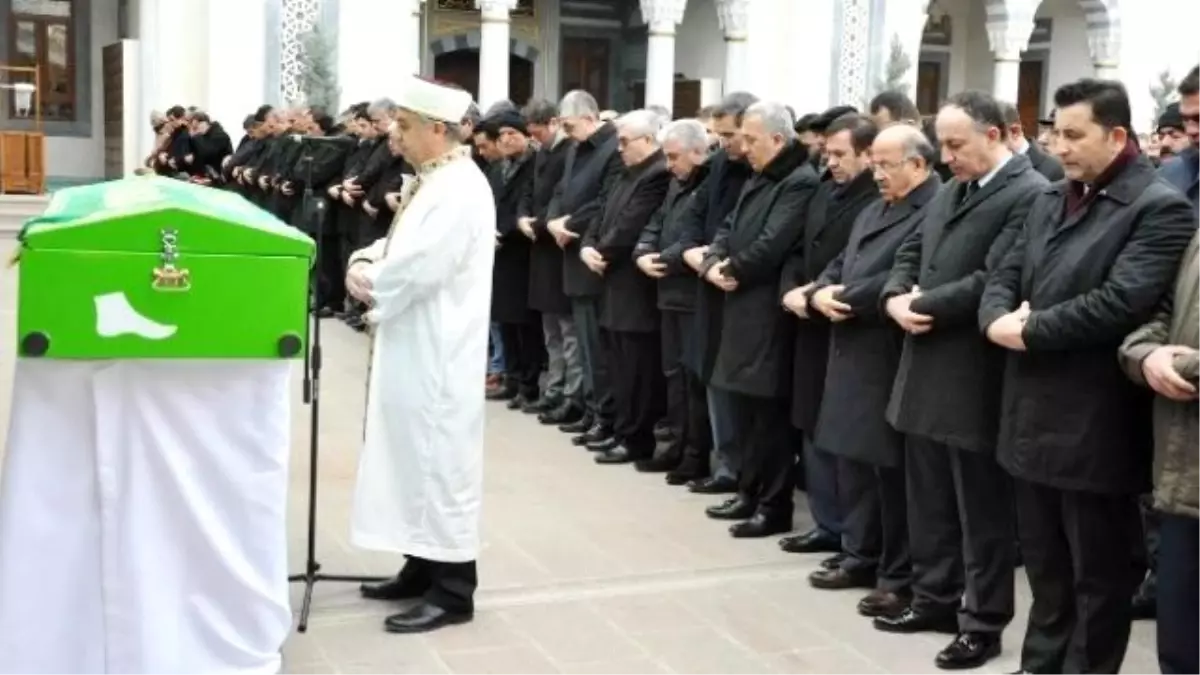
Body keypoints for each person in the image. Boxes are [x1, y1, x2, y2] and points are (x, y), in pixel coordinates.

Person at [979, 78, 1195, 675]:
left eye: (1075, 135)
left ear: (1118, 135)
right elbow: (1005, 269)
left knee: (1096, 578)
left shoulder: (1157, 208)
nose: (1061, 146)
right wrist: (996, 317)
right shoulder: (1051, 197)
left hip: (1094, 425)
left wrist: (1028, 331)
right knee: (1046, 570)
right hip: (1027, 415)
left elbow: (1121, 303)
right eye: (1055, 132)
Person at [879, 91, 1047, 670]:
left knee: (981, 511)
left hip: (974, 372)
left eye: (956, 144)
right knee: (928, 499)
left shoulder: (1028, 193)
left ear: (996, 135)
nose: (946, 157)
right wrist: (896, 295)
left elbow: (996, 276)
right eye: (943, 144)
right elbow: (911, 248)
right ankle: (933, 597)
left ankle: (983, 620)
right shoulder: (953, 189)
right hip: (923, 363)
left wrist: (922, 302)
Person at [348, 76, 495, 635]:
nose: (394, 134)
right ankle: (420, 566)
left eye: (404, 126)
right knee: (411, 458)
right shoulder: (434, 180)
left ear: (439, 130)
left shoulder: (461, 188)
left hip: (439, 351)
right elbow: (399, 242)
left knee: (439, 466)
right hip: (413, 341)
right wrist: (368, 259)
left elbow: (419, 267)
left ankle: (453, 590)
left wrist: (368, 278)